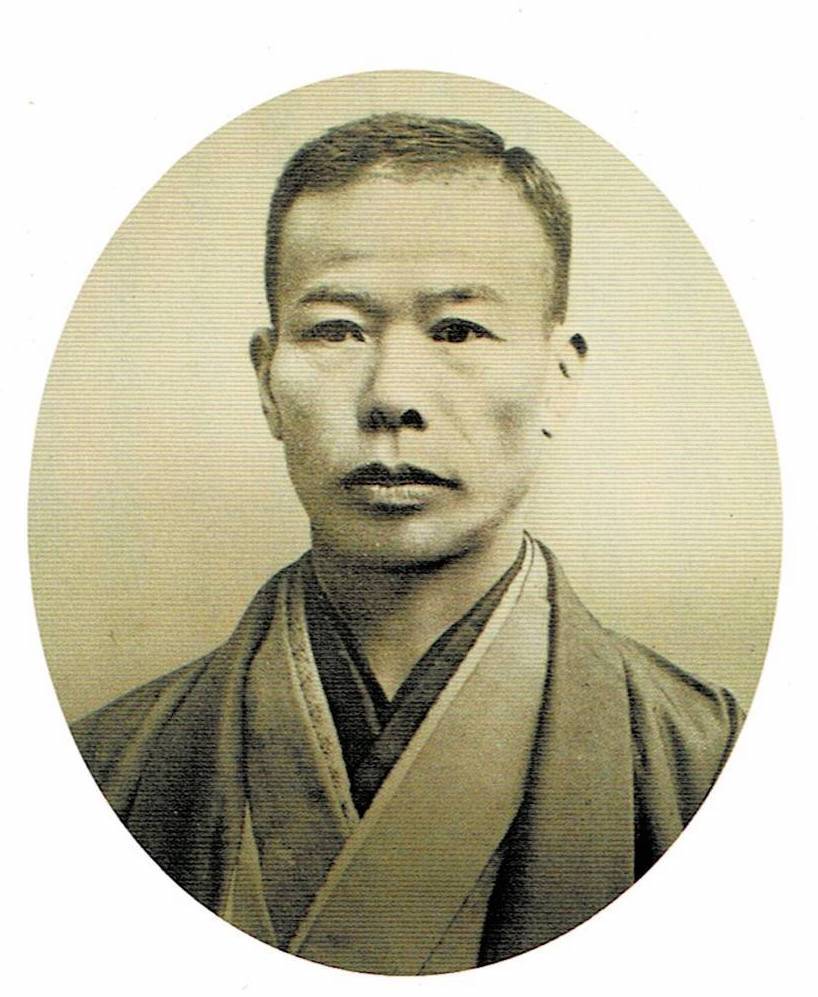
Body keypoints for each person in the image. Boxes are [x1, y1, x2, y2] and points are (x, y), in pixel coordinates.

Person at [72, 114, 744, 974]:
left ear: (557, 376)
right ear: (267, 381)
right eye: (336, 330)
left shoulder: (717, 770)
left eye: (458, 330)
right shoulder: (100, 771)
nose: (391, 396)